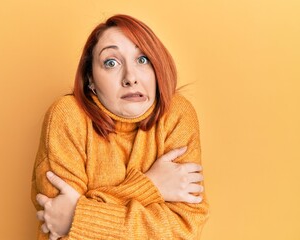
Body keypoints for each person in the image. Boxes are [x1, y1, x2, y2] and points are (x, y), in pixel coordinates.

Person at [31, 14, 209, 240]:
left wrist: (79, 218)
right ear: (90, 80)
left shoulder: (176, 114)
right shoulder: (67, 116)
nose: (130, 77)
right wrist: (150, 185)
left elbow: (185, 229)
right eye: (111, 62)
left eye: (142, 59)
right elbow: (58, 228)